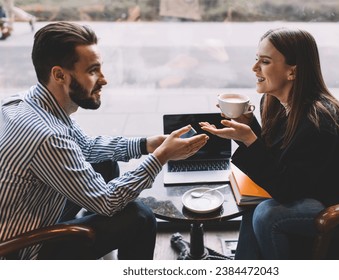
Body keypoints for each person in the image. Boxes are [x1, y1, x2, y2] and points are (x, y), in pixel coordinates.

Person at [0, 21, 209, 260]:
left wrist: (147, 144)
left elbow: (86, 147)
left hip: (30, 210)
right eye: (92, 71)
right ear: (59, 75)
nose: (104, 79)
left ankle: (100, 245)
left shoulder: (26, 102)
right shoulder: (47, 136)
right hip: (21, 250)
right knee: (139, 217)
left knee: (105, 163)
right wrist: (160, 157)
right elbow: (107, 202)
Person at [200, 27, 339, 259]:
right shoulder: (272, 102)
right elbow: (279, 160)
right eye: (256, 60)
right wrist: (249, 125)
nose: (254, 69)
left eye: (264, 62)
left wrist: (249, 140)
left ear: (292, 72)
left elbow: (287, 189)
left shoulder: (319, 120)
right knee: (251, 202)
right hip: (311, 192)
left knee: (266, 214)